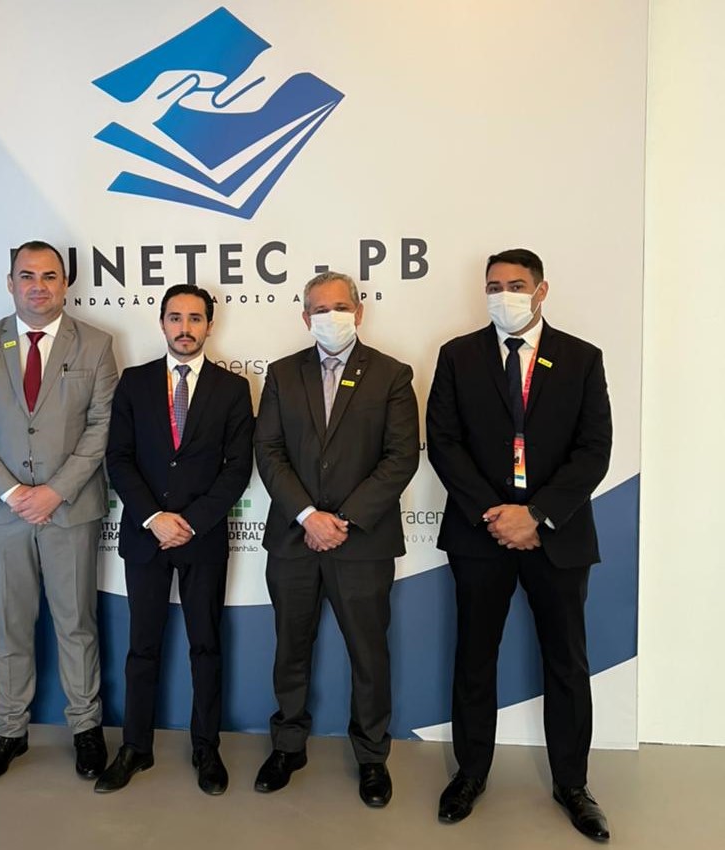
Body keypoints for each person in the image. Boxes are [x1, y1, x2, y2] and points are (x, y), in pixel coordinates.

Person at [426, 248, 612, 841]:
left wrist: (537, 515)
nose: (503, 295)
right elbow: (444, 442)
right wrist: (497, 514)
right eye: (493, 286)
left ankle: (573, 785)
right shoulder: (457, 356)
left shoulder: (582, 358)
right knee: (474, 657)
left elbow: (594, 450)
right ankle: (470, 774)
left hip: (557, 537)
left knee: (567, 662)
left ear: (541, 290)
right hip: (480, 534)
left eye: (515, 285)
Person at [0, 240, 117, 783]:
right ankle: (9, 730)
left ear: (65, 284)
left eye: (49, 276)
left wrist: (55, 491)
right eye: (27, 276)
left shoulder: (96, 344)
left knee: (76, 623)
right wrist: (10, 491)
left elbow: (102, 426)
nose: (38, 286)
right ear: (11, 282)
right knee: (11, 623)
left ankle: (86, 728)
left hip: (70, 509)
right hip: (4, 514)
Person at [253, 271, 420, 808]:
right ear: (305, 318)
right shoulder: (282, 374)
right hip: (293, 539)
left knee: (368, 655)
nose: (331, 317)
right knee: (290, 649)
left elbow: (401, 457)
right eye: (320, 309)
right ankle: (288, 747)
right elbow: (268, 451)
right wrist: (308, 515)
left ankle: (372, 757)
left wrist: (341, 519)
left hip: (362, 543)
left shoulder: (392, 374)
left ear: (359, 312)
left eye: (341, 307)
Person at [97, 284, 254, 795]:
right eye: (175, 318)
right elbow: (118, 457)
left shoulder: (232, 389)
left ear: (210, 324)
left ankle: (206, 747)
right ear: (162, 323)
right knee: (142, 646)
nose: (185, 328)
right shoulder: (135, 381)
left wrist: (190, 521)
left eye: (194, 318)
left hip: (201, 538)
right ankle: (135, 747)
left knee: (205, 645)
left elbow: (237, 468)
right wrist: (154, 518)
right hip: (146, 537)